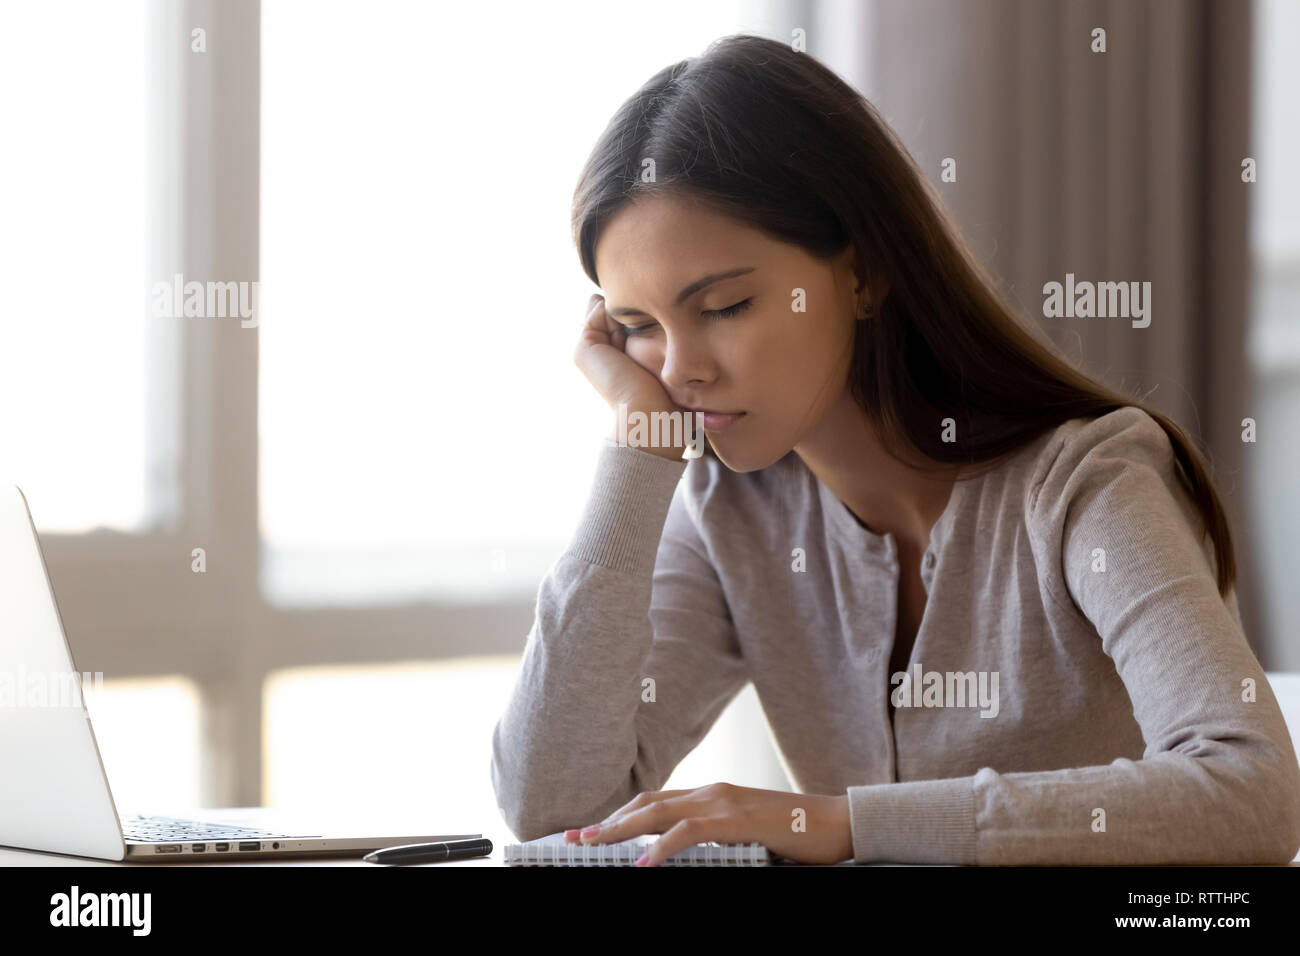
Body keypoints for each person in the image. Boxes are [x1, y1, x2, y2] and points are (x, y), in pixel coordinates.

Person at [490, 33, 1300, 866]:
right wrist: (638, 449)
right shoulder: (733, 513)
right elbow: (554, 809)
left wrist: (839, 824)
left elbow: (1253, 794)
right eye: (637, 329)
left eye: (725, 306)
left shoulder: (1090, 485)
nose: (681, 368)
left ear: (863, 272)